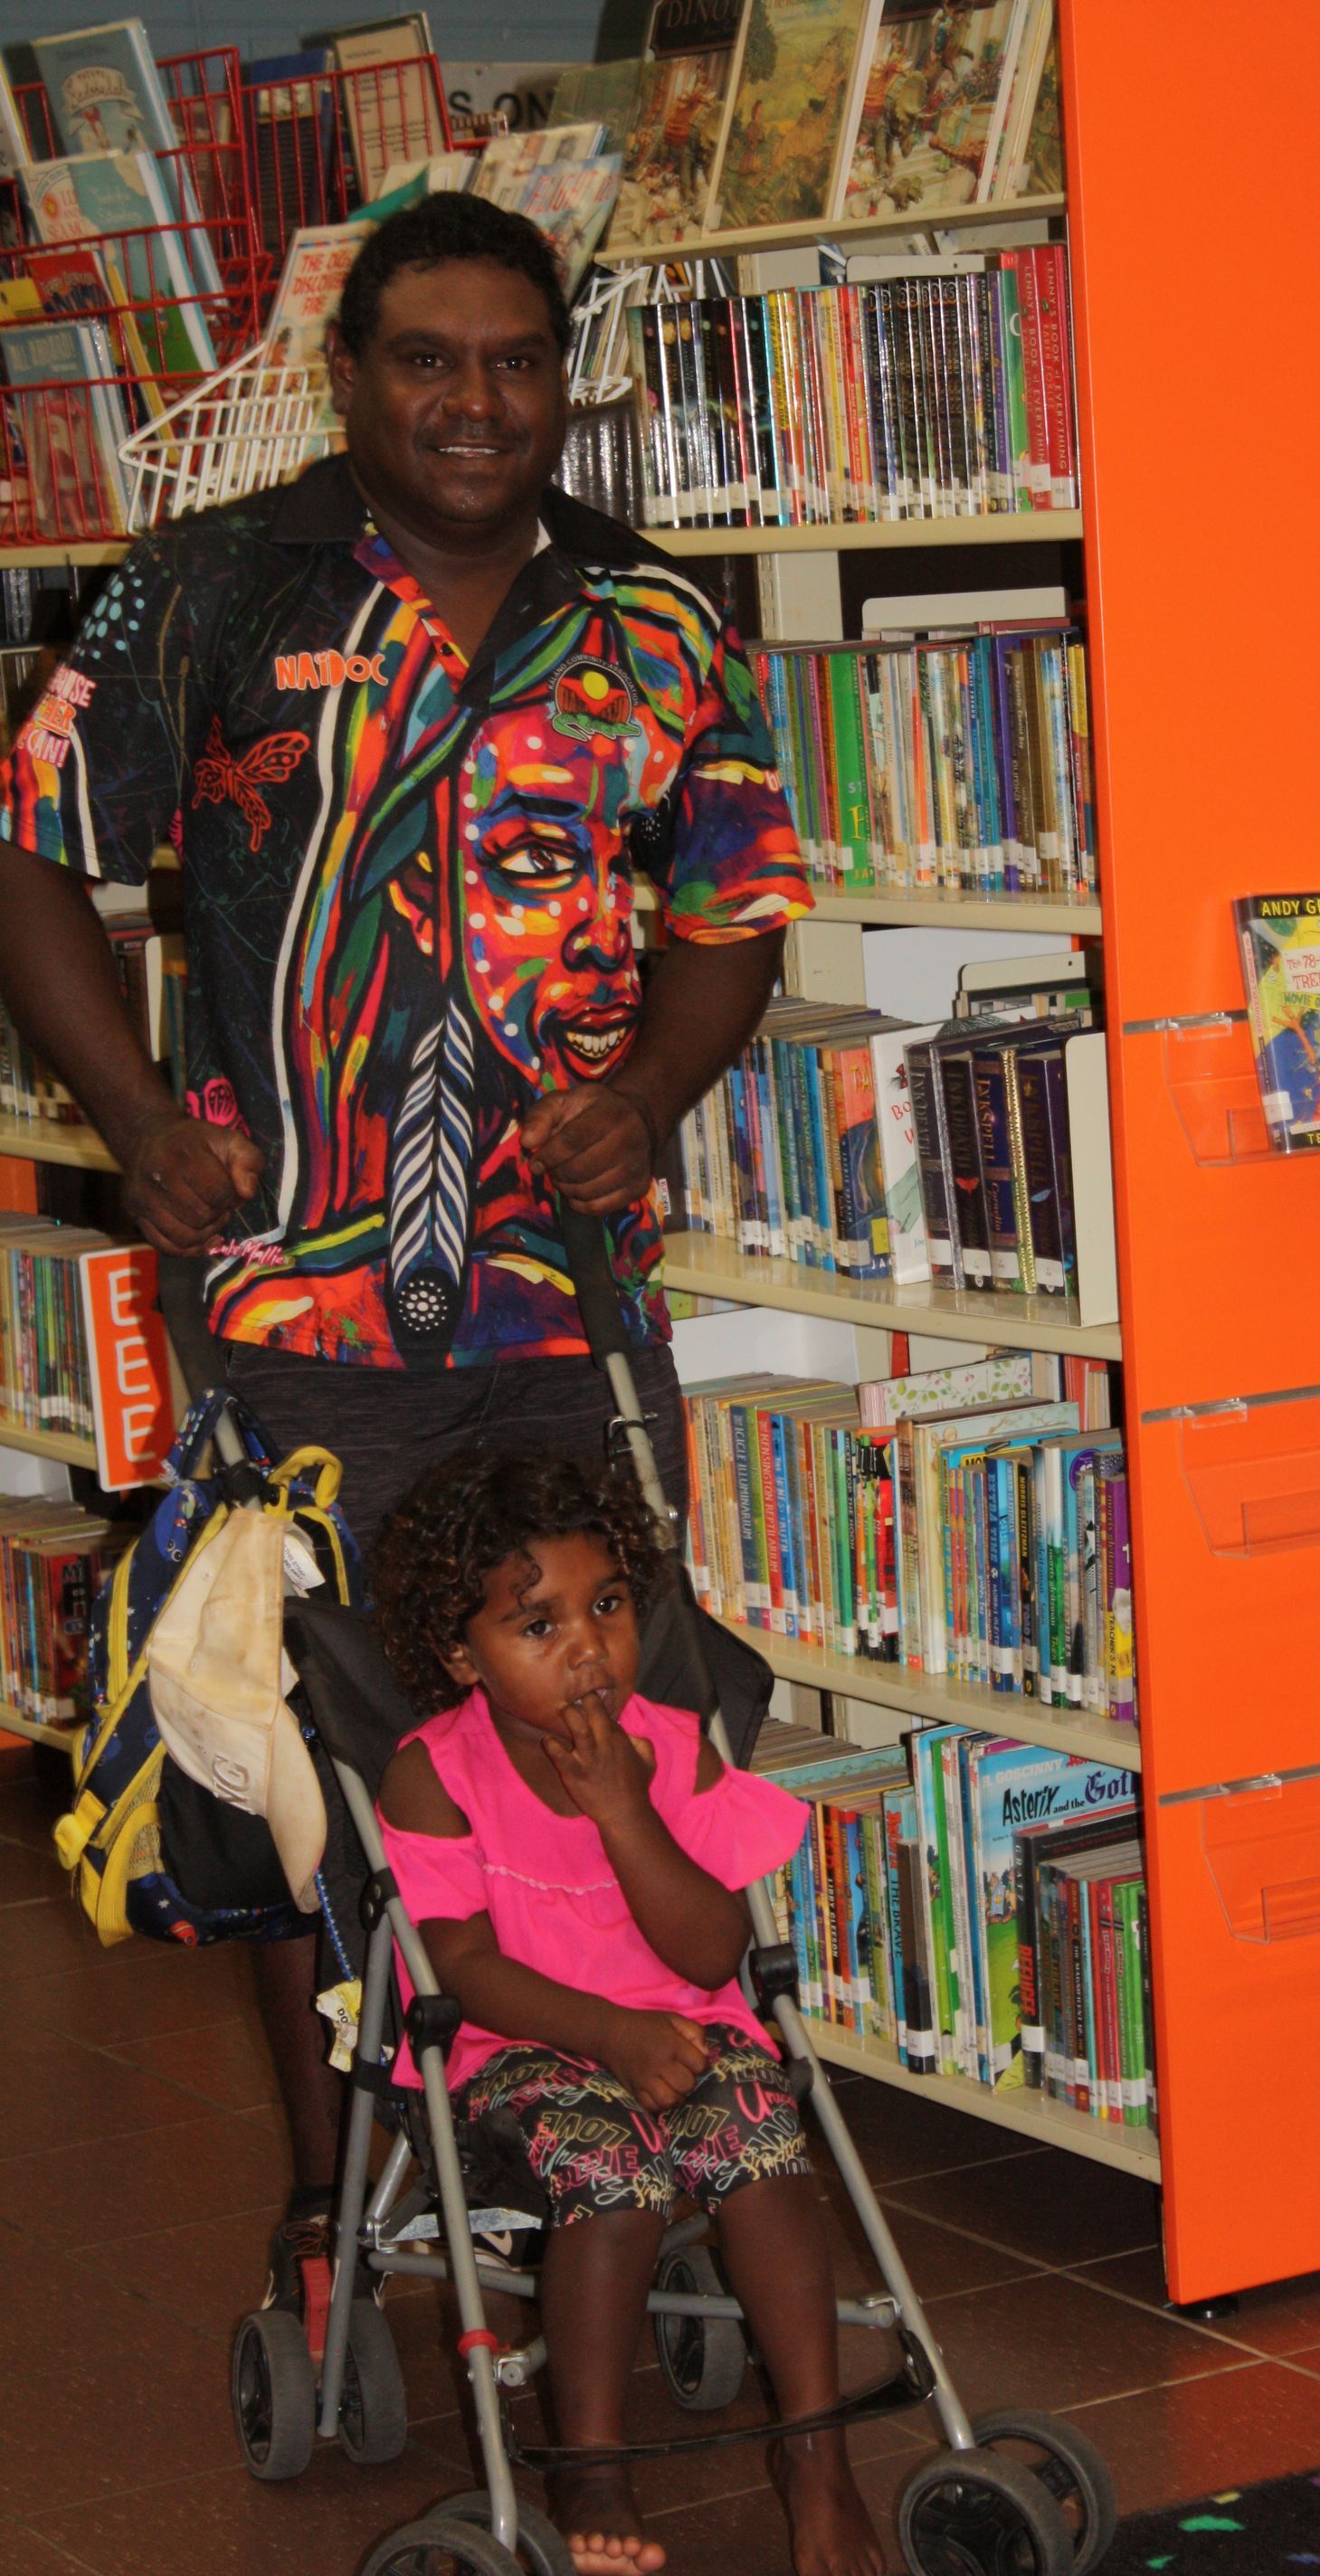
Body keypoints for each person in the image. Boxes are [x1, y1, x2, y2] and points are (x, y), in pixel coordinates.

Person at [0, 195, 810, 2303]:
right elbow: (28, 859)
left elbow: (733, 915)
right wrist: (138, 1120)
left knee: (586, 1717)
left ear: (565, 379)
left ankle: (594, 2120)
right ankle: (332, 2191)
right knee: (327, 1752)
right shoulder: (198, 590)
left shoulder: (657, 618)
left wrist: (653, 1085)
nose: (473, 401)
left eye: (514, 361)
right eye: (427, 360)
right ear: (352, 373)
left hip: (560, 1297)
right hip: (296, 1304)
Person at [370, 1449, 883, 2576]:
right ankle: (593, 2464)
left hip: (685, 2024)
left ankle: (818, 2456)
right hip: (517, 2050)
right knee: (612, 2163)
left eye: (605, 1606)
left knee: (762, 2137)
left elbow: (711, 1948)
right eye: (536, 1625)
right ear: (464, 1654)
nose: (587, 1648)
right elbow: (456, 1967)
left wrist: (622, 1810)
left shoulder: (670, 1744)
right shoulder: (433, 1774)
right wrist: (606, 2033)